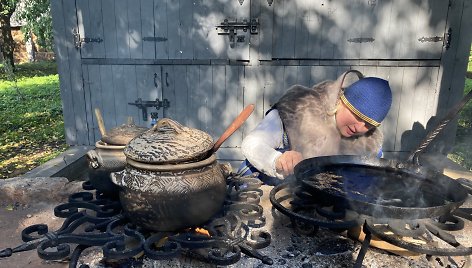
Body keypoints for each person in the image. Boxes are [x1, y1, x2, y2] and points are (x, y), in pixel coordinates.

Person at [237, 70, 393, 185]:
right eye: (357, 116)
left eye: (369, 124)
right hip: (267, 191)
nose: (359, 127)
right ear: (341, 100)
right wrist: (276, 160)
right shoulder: (299, 109)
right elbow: (252, 144)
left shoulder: (369, 143)